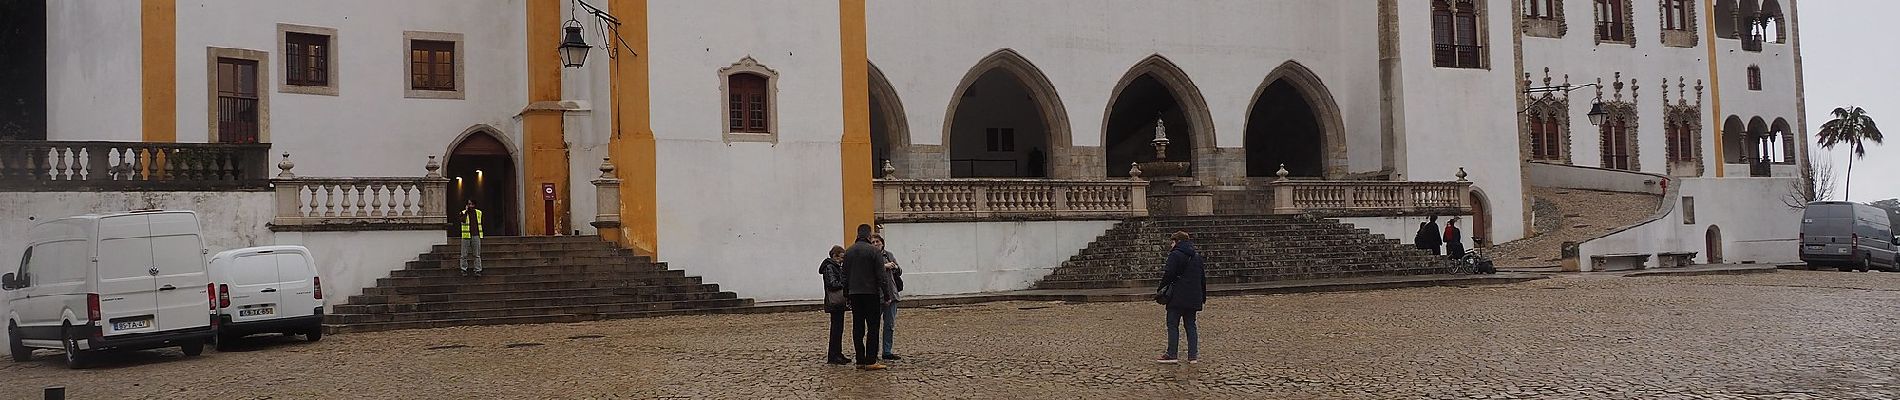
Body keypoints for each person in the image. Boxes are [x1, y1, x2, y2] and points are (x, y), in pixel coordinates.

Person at [843, 224, 893, 370]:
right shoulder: (874, 251)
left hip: (854, 293)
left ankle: (860, 359)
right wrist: (887, 294)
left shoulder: (849, 252)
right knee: (873, 326)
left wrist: (846, 294)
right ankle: (871, 360)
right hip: (871, 293)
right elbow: (881, 275)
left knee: (857, 326)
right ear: (869, 235)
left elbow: (844, 276)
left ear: (857, 234)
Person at [1157, 231, 1206, 364]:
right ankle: (1192, 356)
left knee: (1172, 324)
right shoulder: (1196, 256)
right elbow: (1202, 278)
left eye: (1172, 242)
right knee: (1191, 325)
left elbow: (1169, 274)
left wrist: (1161, 288)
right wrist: (1202, 296)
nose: (1171, 245)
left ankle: (1172, 354)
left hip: (1177, 296)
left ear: (1177, 242)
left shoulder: (1175, 255)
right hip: (1193, 296)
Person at [872, 234, 904, 361]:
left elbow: (899, 270)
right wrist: (882, 267)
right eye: (873, 242)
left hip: (891, 293)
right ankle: (873, 351)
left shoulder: (888, 255)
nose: (875, 244)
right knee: (874, 325)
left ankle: (887, 350)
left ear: (882, 243)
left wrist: (894, 267)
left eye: (877, 241)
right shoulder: (870, 256)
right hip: (876, 295)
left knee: (889, 325)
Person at [819, 245, 851, 365]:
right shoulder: (830, 267)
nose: (843, 260)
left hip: (837, 303)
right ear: (835, 256)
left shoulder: (834, 266)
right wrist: (844, 282)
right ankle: (833, 355)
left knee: (839, 329)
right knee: (836, 330)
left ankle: (838, 353)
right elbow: (832, 284)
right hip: (835, 302)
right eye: (841, 257)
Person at [459, 200, 484, 276]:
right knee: (464, 254)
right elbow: (462, 220)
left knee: (477, 254)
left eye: (472, 204)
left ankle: (478, 269)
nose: (470, 206)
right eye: (469, 204)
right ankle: (463, 269)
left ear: (474, 205)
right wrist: (466, 212)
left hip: (476, 235)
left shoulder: (479, 212)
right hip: (466, 236)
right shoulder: (463, 212)